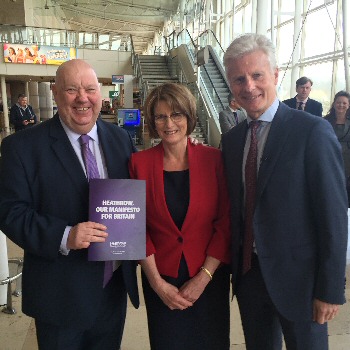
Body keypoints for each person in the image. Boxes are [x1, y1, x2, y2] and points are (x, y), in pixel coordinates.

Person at [0, 59, 139, 350]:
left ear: (100, 93)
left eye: (89, 89)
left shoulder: (120, 140)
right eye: (71, 89)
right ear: (55, 92)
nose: (82, 98)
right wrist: (65, 235)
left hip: (112, 289)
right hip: (59, 296)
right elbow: (10, 212)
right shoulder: (22, 147)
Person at [221, 33, 348, 350]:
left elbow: (333, 215)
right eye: (239, 79)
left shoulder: (312, 132)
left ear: (276, 75)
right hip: (250, 280)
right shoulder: (233, 140)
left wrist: (330, 289)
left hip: (301, 283)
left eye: (257, 75)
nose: (248, 86)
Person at [129, 83, 231, 350]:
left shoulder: (214, 160)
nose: (169, 123)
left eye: (177, 115)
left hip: (208, 277)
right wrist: (157, 284)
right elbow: (136, 227)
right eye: (160, 116)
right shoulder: (139, 164)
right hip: (161, 278)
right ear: (152, 121)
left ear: (189, 117)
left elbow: (225, 223)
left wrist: (204, 277)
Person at [324, 90, 350, 205]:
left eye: (344, 103)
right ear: (334, 104)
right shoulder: (325, 121)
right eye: (339, 102)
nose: (341, 105)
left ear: (348, 105)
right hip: (330, 158)